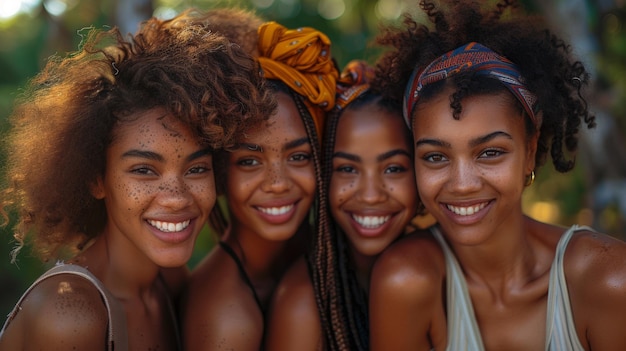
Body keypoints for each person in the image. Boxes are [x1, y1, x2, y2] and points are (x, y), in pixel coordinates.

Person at [0, 13, 274, 350]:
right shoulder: (69, 313)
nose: (176, 198)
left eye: (196, 169)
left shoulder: (167, 281)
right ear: (96, 179)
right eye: (144, 170)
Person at [368, 1, 626, 350]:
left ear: (530, 151)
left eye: (490, 152)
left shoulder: (608, 279)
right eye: (435, 156)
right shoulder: (408, 281)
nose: (462, 183)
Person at [181, 20, 338, 351]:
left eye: (299, 157)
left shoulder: (318, 249)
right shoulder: (227, 317)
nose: (278, 184)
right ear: (220, 174)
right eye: (250, 161)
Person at [264, 62, 419, 351]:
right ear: (323, 176)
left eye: (393, 169)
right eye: (347, 169)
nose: (371, 195)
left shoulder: (442, 263)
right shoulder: (302, 304)